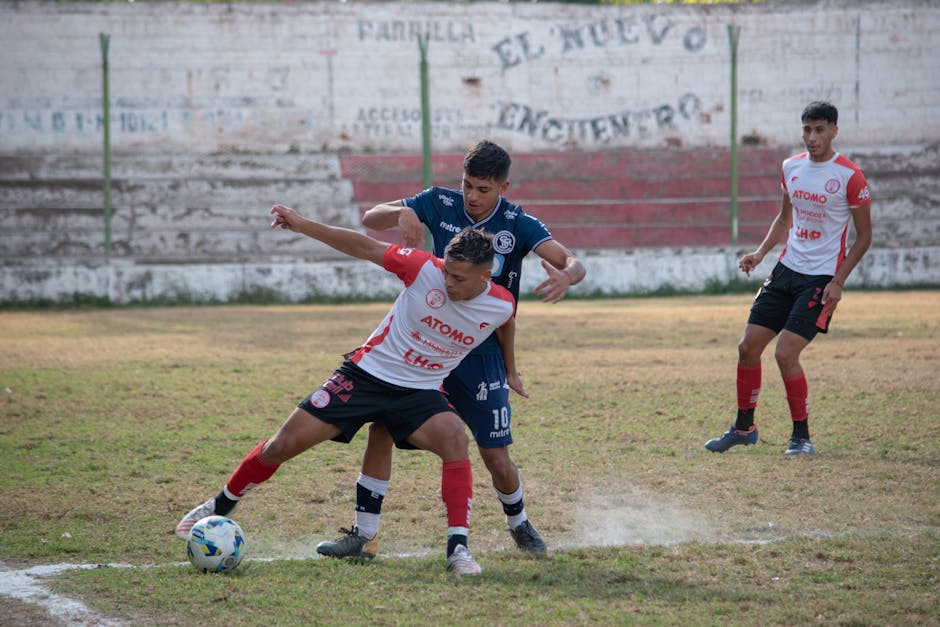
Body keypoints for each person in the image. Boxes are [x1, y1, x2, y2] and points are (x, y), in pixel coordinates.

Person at [175, 204, 519, 577]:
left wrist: (512, 370)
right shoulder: (423, 269)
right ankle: (218, 506)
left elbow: (506, 324)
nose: (449, 283)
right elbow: (364, 246)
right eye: (447, 273)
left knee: (455, 438)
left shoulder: (501, 304)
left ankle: (457, 550)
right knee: (282, 446)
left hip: (419, 391)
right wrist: (302, 224)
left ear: (486, 275)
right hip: (366, 375)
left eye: (460, 279)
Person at [316, 140, 586, 559]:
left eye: (483, 189)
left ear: (503, 187)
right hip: (426, 348)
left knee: (495, 454)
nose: (472, 197)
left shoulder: (519, 224)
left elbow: (569, 259)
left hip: (480, 355)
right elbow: (371, 217)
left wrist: (568, 277)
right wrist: (401, 211)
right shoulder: (438, 201)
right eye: (467, 186)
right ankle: (363, 535)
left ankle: (519, 521)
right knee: (383, 427)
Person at [705, 101, 872, 456]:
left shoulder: (850, 176)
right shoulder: (791, 167)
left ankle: (801, 437)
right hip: (785, 272)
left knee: (785, 353)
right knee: (747, 348)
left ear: (834, 131)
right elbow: (784, 220)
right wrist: (760, 254)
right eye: (807, 130)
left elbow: (864, 236)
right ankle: (744, 427)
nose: (813, 137)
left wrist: (838, 280)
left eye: (820, 130)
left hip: (820, 279)